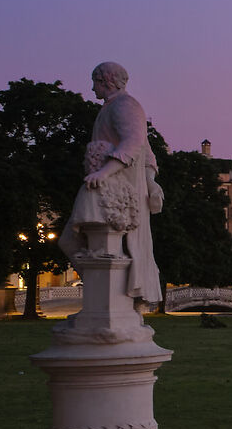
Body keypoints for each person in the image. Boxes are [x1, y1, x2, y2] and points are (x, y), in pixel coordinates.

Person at [65, 61, 163, 304]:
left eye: (95, 82)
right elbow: (146, 152)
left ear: (106, 81)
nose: (92, 89)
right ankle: (103, 301)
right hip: (107, 184)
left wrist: (105, 173)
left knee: (111, 246)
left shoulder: (125, 106)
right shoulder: (112, 107)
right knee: (72, 241)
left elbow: (134, 145)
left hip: (116, 189)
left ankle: (114, 304)